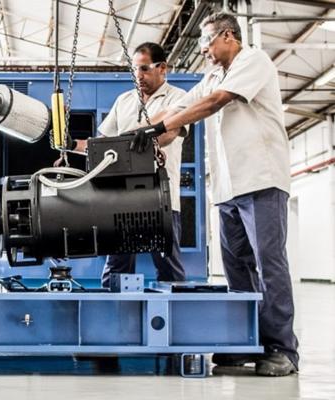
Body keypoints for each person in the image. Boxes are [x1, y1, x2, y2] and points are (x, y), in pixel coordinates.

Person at [123, 12, 298, 376]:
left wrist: (159, 126)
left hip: (261, 178)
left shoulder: (253, 61)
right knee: (236, 269)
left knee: (269, 264)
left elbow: (214, 102)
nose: (202, 49)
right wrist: (139, 134)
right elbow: (180, 108)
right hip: (227, 187)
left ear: (228, 36)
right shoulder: (213, 75)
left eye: (206, 41)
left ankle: (281, 348)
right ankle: (245, 341)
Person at [71, 42, 187, 287]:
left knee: (169, 270)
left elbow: (170, 131)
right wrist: (71, 144)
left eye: (144, 69)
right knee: (116, 270)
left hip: (161, 198)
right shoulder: (124, 100)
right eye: (134, 70)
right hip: (122, 200)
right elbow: (102, 146)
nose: (138, 76)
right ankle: (113, 310)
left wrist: (141, 141)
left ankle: (175, 309)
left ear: (162, 68)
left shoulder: (178, 98)